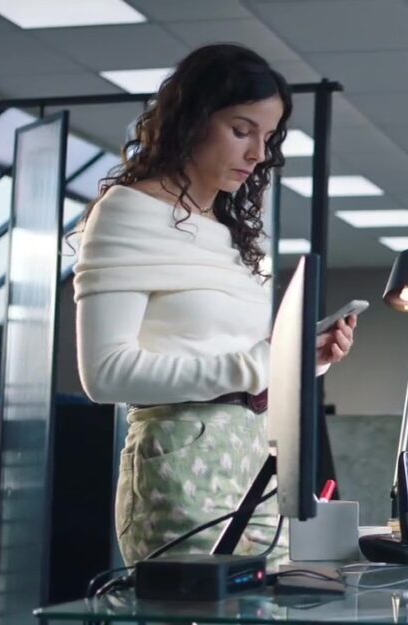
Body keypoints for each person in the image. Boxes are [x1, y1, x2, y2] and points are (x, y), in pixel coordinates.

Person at [74, 44, 357, 565]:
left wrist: (301, 360)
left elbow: (237, 361)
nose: (257, 154)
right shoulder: (129, 211)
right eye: (242, 130)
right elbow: (105, 375)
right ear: (192, 119)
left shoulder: (232, 232)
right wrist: (261, 362)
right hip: (181, 459)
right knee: (203, 605)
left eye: (268, 137)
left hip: (256, 456)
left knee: (278, 601)